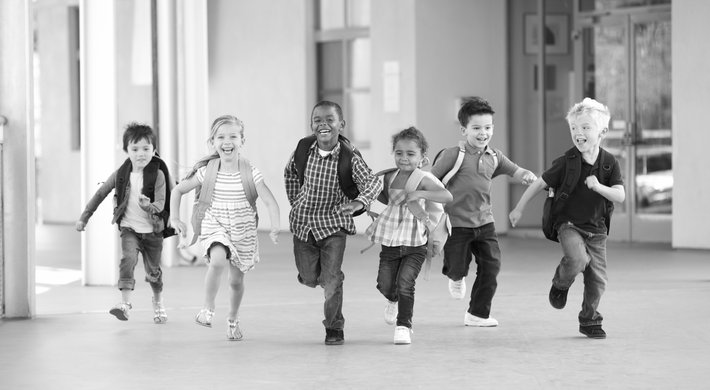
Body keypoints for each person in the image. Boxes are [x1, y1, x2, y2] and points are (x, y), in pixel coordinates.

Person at [509, 98, 625, 339]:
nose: (578, 133)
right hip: (569, 225)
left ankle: (589, 320)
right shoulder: (566, 162)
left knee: (598, 280)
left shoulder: (609, 164)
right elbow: (540, 183)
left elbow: (620, 195)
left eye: (585, 128)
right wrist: (519, 208)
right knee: (577, 259)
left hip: (597, 230)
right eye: (574, 128)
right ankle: (560, 284)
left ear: (602, 132)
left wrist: (599, 187)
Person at [170, 115, 280, 341]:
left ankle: (232, 319)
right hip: (215, 224)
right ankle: (207, 309)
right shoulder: (207, 171)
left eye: (233, 136)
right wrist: (175, 218)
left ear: (242, 141)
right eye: (221, 136)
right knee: (218, 260)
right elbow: (178, 191)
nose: (227, 141)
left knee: (236, 281)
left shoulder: (251, 172)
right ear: (213, 142)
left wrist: (275, 226)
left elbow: (269, 201)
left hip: (243, 230)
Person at [430, 96, 537, 327]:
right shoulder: (452, 155)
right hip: (455, 223)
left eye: (488, 128)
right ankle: (456, 276)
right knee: (458, 266)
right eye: (476, 128)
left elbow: (515, 171)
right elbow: (430, 181)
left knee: (492, 266)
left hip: (485, 222)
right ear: (463, 130)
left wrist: (526, 175)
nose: (483, 133)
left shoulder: (494, 156)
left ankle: (477, 314)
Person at [284, 100, 382, 345]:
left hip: (333, 225)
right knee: (308, 276)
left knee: (332, 279)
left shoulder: (349, 157)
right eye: (317, 120)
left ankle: (334, 328)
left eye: (330, 119)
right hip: (303, 223)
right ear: (311, 125)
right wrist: (296, 201)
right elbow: (290, 174)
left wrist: (359, 203)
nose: (323, 124)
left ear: (342, 124)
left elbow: (374, 183)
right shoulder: (303, 150)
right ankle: (319, 278)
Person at [76, 123, 173, 324]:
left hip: (153, 232)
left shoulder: (158, 175)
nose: (141, 154)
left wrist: (148, 207)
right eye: (135, 149)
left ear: (154, 150)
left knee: (153, 272)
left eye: (146, 149)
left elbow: (161, 204)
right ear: (126, 151)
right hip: (130, 229)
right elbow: (101, 193)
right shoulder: (121, 174)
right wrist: (84, 217)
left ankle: (158, 302)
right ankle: (125, 305)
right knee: (128, 259)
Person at [366, 127, 452, 344]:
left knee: (406, 282)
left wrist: (421, 193)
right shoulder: (389, 177)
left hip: (416, 241)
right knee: (385, 283)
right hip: (391, 240)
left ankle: (404, 326)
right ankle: (392, 299)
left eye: (411, 154)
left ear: (423, 158)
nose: (404, 158)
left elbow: (446, 195)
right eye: (399, 153)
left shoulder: (422, 178)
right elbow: (378, 195)